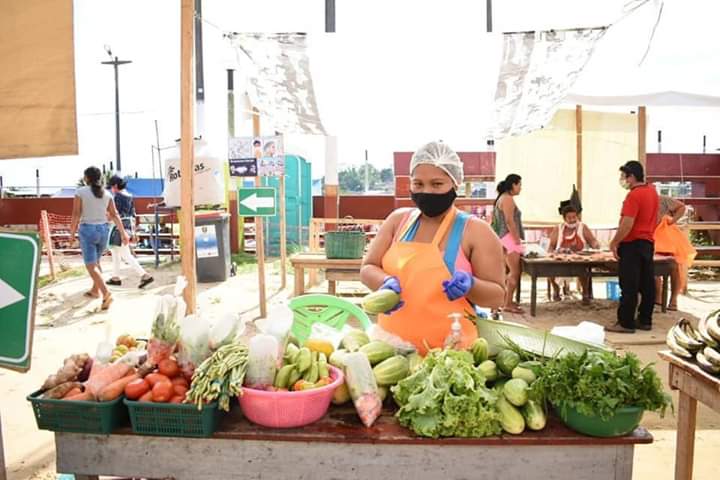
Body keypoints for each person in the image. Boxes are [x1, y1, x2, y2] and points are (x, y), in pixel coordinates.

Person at [360, 141, 506, 355]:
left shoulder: (476, 231)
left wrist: (471, 285)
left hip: (451, 353)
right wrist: (384, 282)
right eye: (418, 184)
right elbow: (368, 268)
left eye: (437, 184)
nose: (426, 192)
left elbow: (497, 296)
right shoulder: (397, 222)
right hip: (391, 347)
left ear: (455, 184)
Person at [607, 161, 659, 333]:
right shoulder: (652, 192)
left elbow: (627, 223)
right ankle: (645, 320)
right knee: (647, 285)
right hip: (647, 242)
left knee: (629, 285)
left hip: (632, 244)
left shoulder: (634, 196)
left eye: (624, 176)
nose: (623, 180)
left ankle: (626, 323)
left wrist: (614, 242)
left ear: (631, 176)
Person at [69, 167, 129, 310]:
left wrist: (71, 233)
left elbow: (76, 214)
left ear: (87, 178)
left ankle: (106, 293)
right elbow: (114, 215)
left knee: (91, 266)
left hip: (87, 230)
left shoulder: (80, 192)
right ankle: (95, 291)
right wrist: (123, 233)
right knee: (96, 262)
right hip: (103, 230)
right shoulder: (107, 194)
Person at [106, 175, 154, 289]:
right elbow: (133, 215)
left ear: (116, 186)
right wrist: (133, 231)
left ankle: (144, 275)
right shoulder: (129, 196)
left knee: (124, 254)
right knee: (116, 251)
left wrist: (106, 217)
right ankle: (115, 277)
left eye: (112, 187)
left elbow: (115, 214)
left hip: (118, 226)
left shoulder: (117, 196)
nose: (111, 189)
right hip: (127, 226)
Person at [548, 202, 600, 301]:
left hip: (579, 258)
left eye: (574, 217)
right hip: (561, 258)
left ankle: (585, 293)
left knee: (582, 270)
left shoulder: (582, 227)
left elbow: (592, 241)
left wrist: (596, 245)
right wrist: (550, 254)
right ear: (564, 218)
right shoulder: (558, 228)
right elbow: (551, 246)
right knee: (549, 269)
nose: (572, 220)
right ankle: (556, 290)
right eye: (569, 218)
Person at [654, 195, 696, 311]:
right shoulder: (639, 197)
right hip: (651, 235)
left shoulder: (662, 199)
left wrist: (672, 220)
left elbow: (681, 207)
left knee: (674, 267)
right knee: (654, 267)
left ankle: (673, 299)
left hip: (667, 235)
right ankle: (658, 297)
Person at [491, 174, 525, 314]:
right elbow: (510, 221)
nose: (521, 188)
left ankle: (502, 301)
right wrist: (516, 239)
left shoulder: (501, 198)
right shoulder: (508, 199)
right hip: (508, 238)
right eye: (520, 185)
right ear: (513, 184)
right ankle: (508, 303)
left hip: (501, 237)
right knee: (515, 272)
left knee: (505, 272)